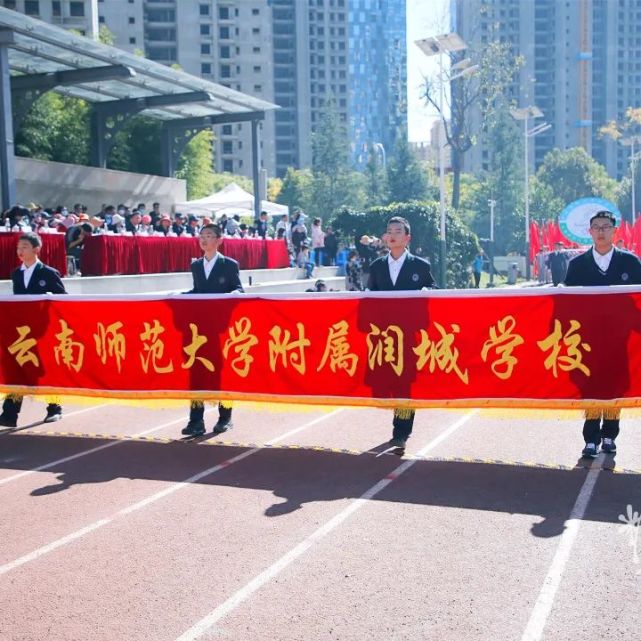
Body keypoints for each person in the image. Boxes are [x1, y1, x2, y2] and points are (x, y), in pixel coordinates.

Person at [563, 210, 641, 458]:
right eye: (596, 227)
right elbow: (568, 304)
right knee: (591, 386)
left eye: (606, 227)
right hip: (587, 340)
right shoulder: (577, 265)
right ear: (590, 232)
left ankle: (609, 435)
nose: (601, 231)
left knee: (614, 386)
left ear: (614, 231)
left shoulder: (631, 263)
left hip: (620, 339)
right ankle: (590, 438)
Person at [367, 216, 436, 449]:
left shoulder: (420, 266)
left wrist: (426, 292)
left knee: (406, 383)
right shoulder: (376, 267)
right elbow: (369, 298)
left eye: (398, 231)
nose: (392, 235)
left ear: (407, 238)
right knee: (387, 382)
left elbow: (434, 295)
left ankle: (401, 433)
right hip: (384, 337)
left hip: (410, 336)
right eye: (389, 231)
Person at [181, 223, 244, 437]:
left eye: (209, 236)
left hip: (220, 328)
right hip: (199, 330)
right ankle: (196, 421)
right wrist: (179, 296)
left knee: (221, 373)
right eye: (201, 236)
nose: (204, 240)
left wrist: (235, 294)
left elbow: (238, 288)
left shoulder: (229, 264)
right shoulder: (196, 266)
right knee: (197, 371)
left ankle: (225, 418)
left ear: (219, 240)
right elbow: (198, 291)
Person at [0, 232, 67, 428]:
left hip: (43, 331)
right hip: (22, 332)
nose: (20, 251)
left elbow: (62, 300)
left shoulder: (48, 273)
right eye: (18, 248)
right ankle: (10, 414)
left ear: (36, 249)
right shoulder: (16, 274)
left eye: (25, 247)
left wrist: (48, 299)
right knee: (18, 369)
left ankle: (55, 408)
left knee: (46, 370)